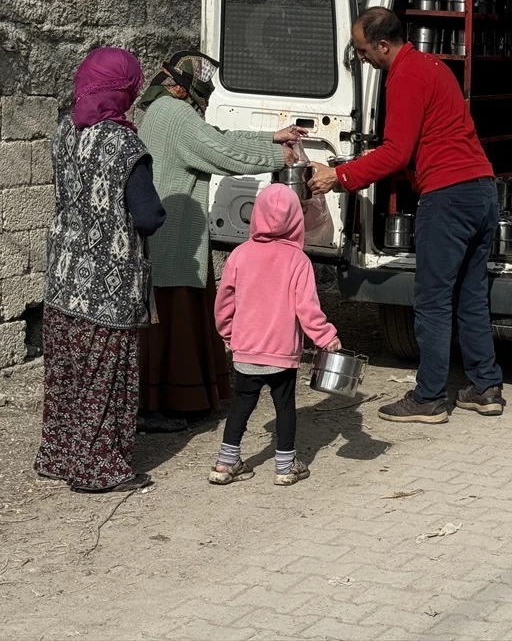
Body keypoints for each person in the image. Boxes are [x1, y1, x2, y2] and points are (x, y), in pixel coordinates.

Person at [308, 7, 505, 424]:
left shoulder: (406, 75)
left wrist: (339, 176)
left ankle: (429, 397)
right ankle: (485, 387)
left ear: (383, 45)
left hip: (448, 195)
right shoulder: (433, 66)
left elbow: (398, 151)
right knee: (470, 297)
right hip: (481, 189)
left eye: (363, 50)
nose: (360, 57)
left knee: (432, 301)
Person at [136, 50, 307, 432]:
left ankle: (166, 401)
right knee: (174, 321)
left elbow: (215, 137)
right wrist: (277, 154)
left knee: (171, 320)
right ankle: (166, 402)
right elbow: (221, 151)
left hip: (167, 236)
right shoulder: (176, 116)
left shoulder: (163, 110)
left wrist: (271, 137)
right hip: (173, 238)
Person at [35, 47, 166, 493]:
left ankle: (58, 455)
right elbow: (147, 217)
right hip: (107, 289)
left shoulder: (64, 132)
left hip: (62, 278)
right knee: (102, 378)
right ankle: (96, 468)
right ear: (124, 89)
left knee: (67, 374)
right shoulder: (125, 144)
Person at [210, 183, 343, 486]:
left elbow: (224, 302)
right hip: (282, 353)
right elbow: (307, 309)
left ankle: (225, 463)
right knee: (285, 407)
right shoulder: (298, 261)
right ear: (297, 219)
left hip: (247, 349)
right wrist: (325, 337)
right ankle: (285, 467)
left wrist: (228, 333)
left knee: (242, 404)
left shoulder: (240, 255)